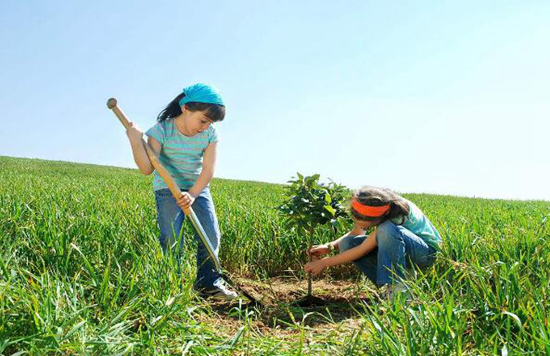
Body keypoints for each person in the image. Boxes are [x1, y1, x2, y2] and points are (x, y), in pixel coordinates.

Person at [125, 83, 237, 301]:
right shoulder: (161, 131)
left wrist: (193, 194)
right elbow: (147, 169)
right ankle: (171, 287)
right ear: (186, 108)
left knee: (210, 236)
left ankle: (208, 284)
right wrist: (135, 141)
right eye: (203, 120)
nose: (205, 126)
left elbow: (208, 170)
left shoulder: (210, 134)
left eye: (210, 122)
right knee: (172, 238)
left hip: (198, 188)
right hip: (167, 189)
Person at [304, 186, 441, 300]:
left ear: (380, 217)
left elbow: (362, 249)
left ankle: (400, 288)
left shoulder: (395, 217)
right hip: (401, 247)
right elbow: (356, 234)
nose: (363, 228)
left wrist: (323, 263)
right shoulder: (368, 206)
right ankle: (388, 287)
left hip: (425, 254)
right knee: (348, 244)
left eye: (367, 226)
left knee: (385, 230)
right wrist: (329, 246)